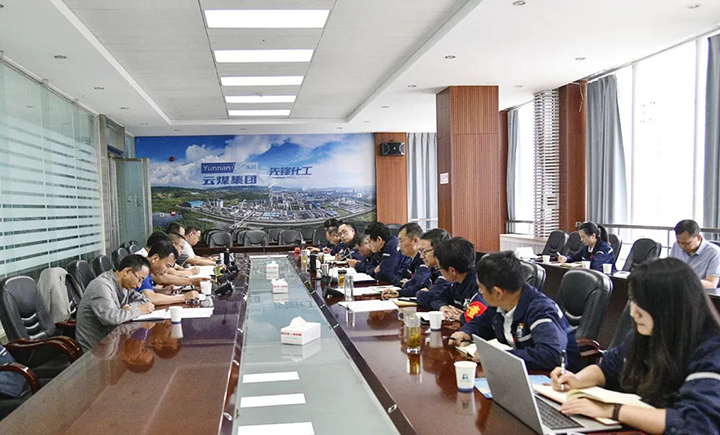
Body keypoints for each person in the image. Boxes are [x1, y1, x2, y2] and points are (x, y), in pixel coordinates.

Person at [550, 258, 720, 434]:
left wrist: (612, 410)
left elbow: (695, 424)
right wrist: (577, 380)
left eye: (643, 304)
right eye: (632, 300)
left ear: (672, 306)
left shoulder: (711, 350)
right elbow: (608, 367)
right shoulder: (646, 335)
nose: (633, 313)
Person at [450, 251, 582, 372]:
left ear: (497, 292)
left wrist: (499, 357)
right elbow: (482, 323)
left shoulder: (541, 310)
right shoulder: (500, 304)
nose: (480, 292)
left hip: (560, 379)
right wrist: (466, 332)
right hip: (522, 372)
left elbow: (551, 355)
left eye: (481, 288)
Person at [75, 255, 155, 352]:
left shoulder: (125, 285)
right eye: (139, 279)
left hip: (114, 342)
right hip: (95, 350)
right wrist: (138, 310)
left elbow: (146, 302)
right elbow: (111, 318)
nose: (139, 285)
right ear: (127, 272)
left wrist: (130, 308)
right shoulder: (102, 286)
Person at [429, 237, 487, 323]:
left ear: (452, 270)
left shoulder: (479, 284)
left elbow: (480, 314)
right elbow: (437, 298)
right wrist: (443, 307)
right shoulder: (457, 283)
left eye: (438, 267)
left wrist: (461, 317)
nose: (438, 271)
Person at [138, 240, 200, 305]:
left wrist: (162, 291)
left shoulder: (147, 268)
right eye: (167, 266)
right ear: (155, 258)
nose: (167, 270)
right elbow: (151, 298)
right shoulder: (142, 269)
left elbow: (143, 291)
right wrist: (184, 297)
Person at [382, 223, 431, 299]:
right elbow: (396, 276)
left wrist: (407, 283)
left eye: (401, 241)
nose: (399, 245)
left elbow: (417, 283)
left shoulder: (424, 261)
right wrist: (403, 284)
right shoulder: (409, 260)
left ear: (415, 241)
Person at [669, 219, 720, 289]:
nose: (682, 246)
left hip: (698, 291)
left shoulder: (714, 252)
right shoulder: (676, 245)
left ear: (698, 237)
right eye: (679, 242)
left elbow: (711, 284)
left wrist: (685, 281)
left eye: (687, 243)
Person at [415, 229, 452, 309]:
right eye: (420, 252)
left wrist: (420, 293)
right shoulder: (434, 269)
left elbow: (429, 299)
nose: (421, 256)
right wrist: (399, 292)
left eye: (424, 252)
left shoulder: (447, 271)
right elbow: (421, 286)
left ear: (439, 250)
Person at [365, 221, 408, 286]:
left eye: (369, 241)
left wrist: (376, 272)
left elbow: (385, 275)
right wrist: (374, 271)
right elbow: (369, 267)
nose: (368, 245)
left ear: (379, 240)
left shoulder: (392, 246)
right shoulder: (379, 248)